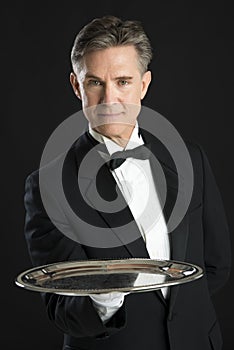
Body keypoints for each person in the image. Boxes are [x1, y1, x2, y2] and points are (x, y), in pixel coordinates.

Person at [24, 15, 231, 350]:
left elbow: (217, 266)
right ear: (77, 86)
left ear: (144, 84)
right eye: (95, 83)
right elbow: (62, 311)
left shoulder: (191, 159)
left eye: (122, 81)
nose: (110, 99)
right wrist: (105, 298)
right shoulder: (47, 187)